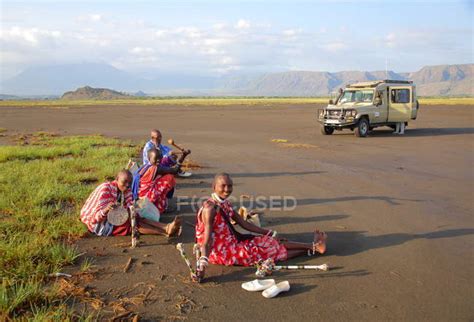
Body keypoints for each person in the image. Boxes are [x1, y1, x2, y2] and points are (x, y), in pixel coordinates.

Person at [194, 173, 327, 281]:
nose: (227, 189)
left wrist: (269, 233)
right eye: (223, 186)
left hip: (231, 243)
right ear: (213, 187)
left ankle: (313, 247)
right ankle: (313, 247)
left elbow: (243, 223)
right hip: (221, 252)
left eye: (230, 186)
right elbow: (206, 241)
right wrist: (201, 268)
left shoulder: (224, 203)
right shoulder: (209, 209)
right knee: (267, 251)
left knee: (270, 241)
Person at [80, 169, 181, 237]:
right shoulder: (106, 189)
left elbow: (130, 207)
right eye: (124, 182)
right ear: (117, 179)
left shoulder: (126, 190)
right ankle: (165, 232)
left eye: (130, 183)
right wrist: (106, 209)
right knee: (132, 225)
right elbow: (95, 218)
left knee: (136, 217)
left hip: (114, 216)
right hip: (98, 223)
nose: (128, 185)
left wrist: (131, 213)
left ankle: (166, 227)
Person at [138, 148, 178, 214]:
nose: (158, 160)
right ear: (149, 158)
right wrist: (184, 156)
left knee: (162, 182)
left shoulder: (145, 166)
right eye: (156, 158)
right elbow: (175, 170)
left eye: (160, 158)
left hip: (141, 194)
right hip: (146, 197)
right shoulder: (155, 168)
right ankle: (160, 208)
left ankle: (159, 206)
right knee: (169, 179)